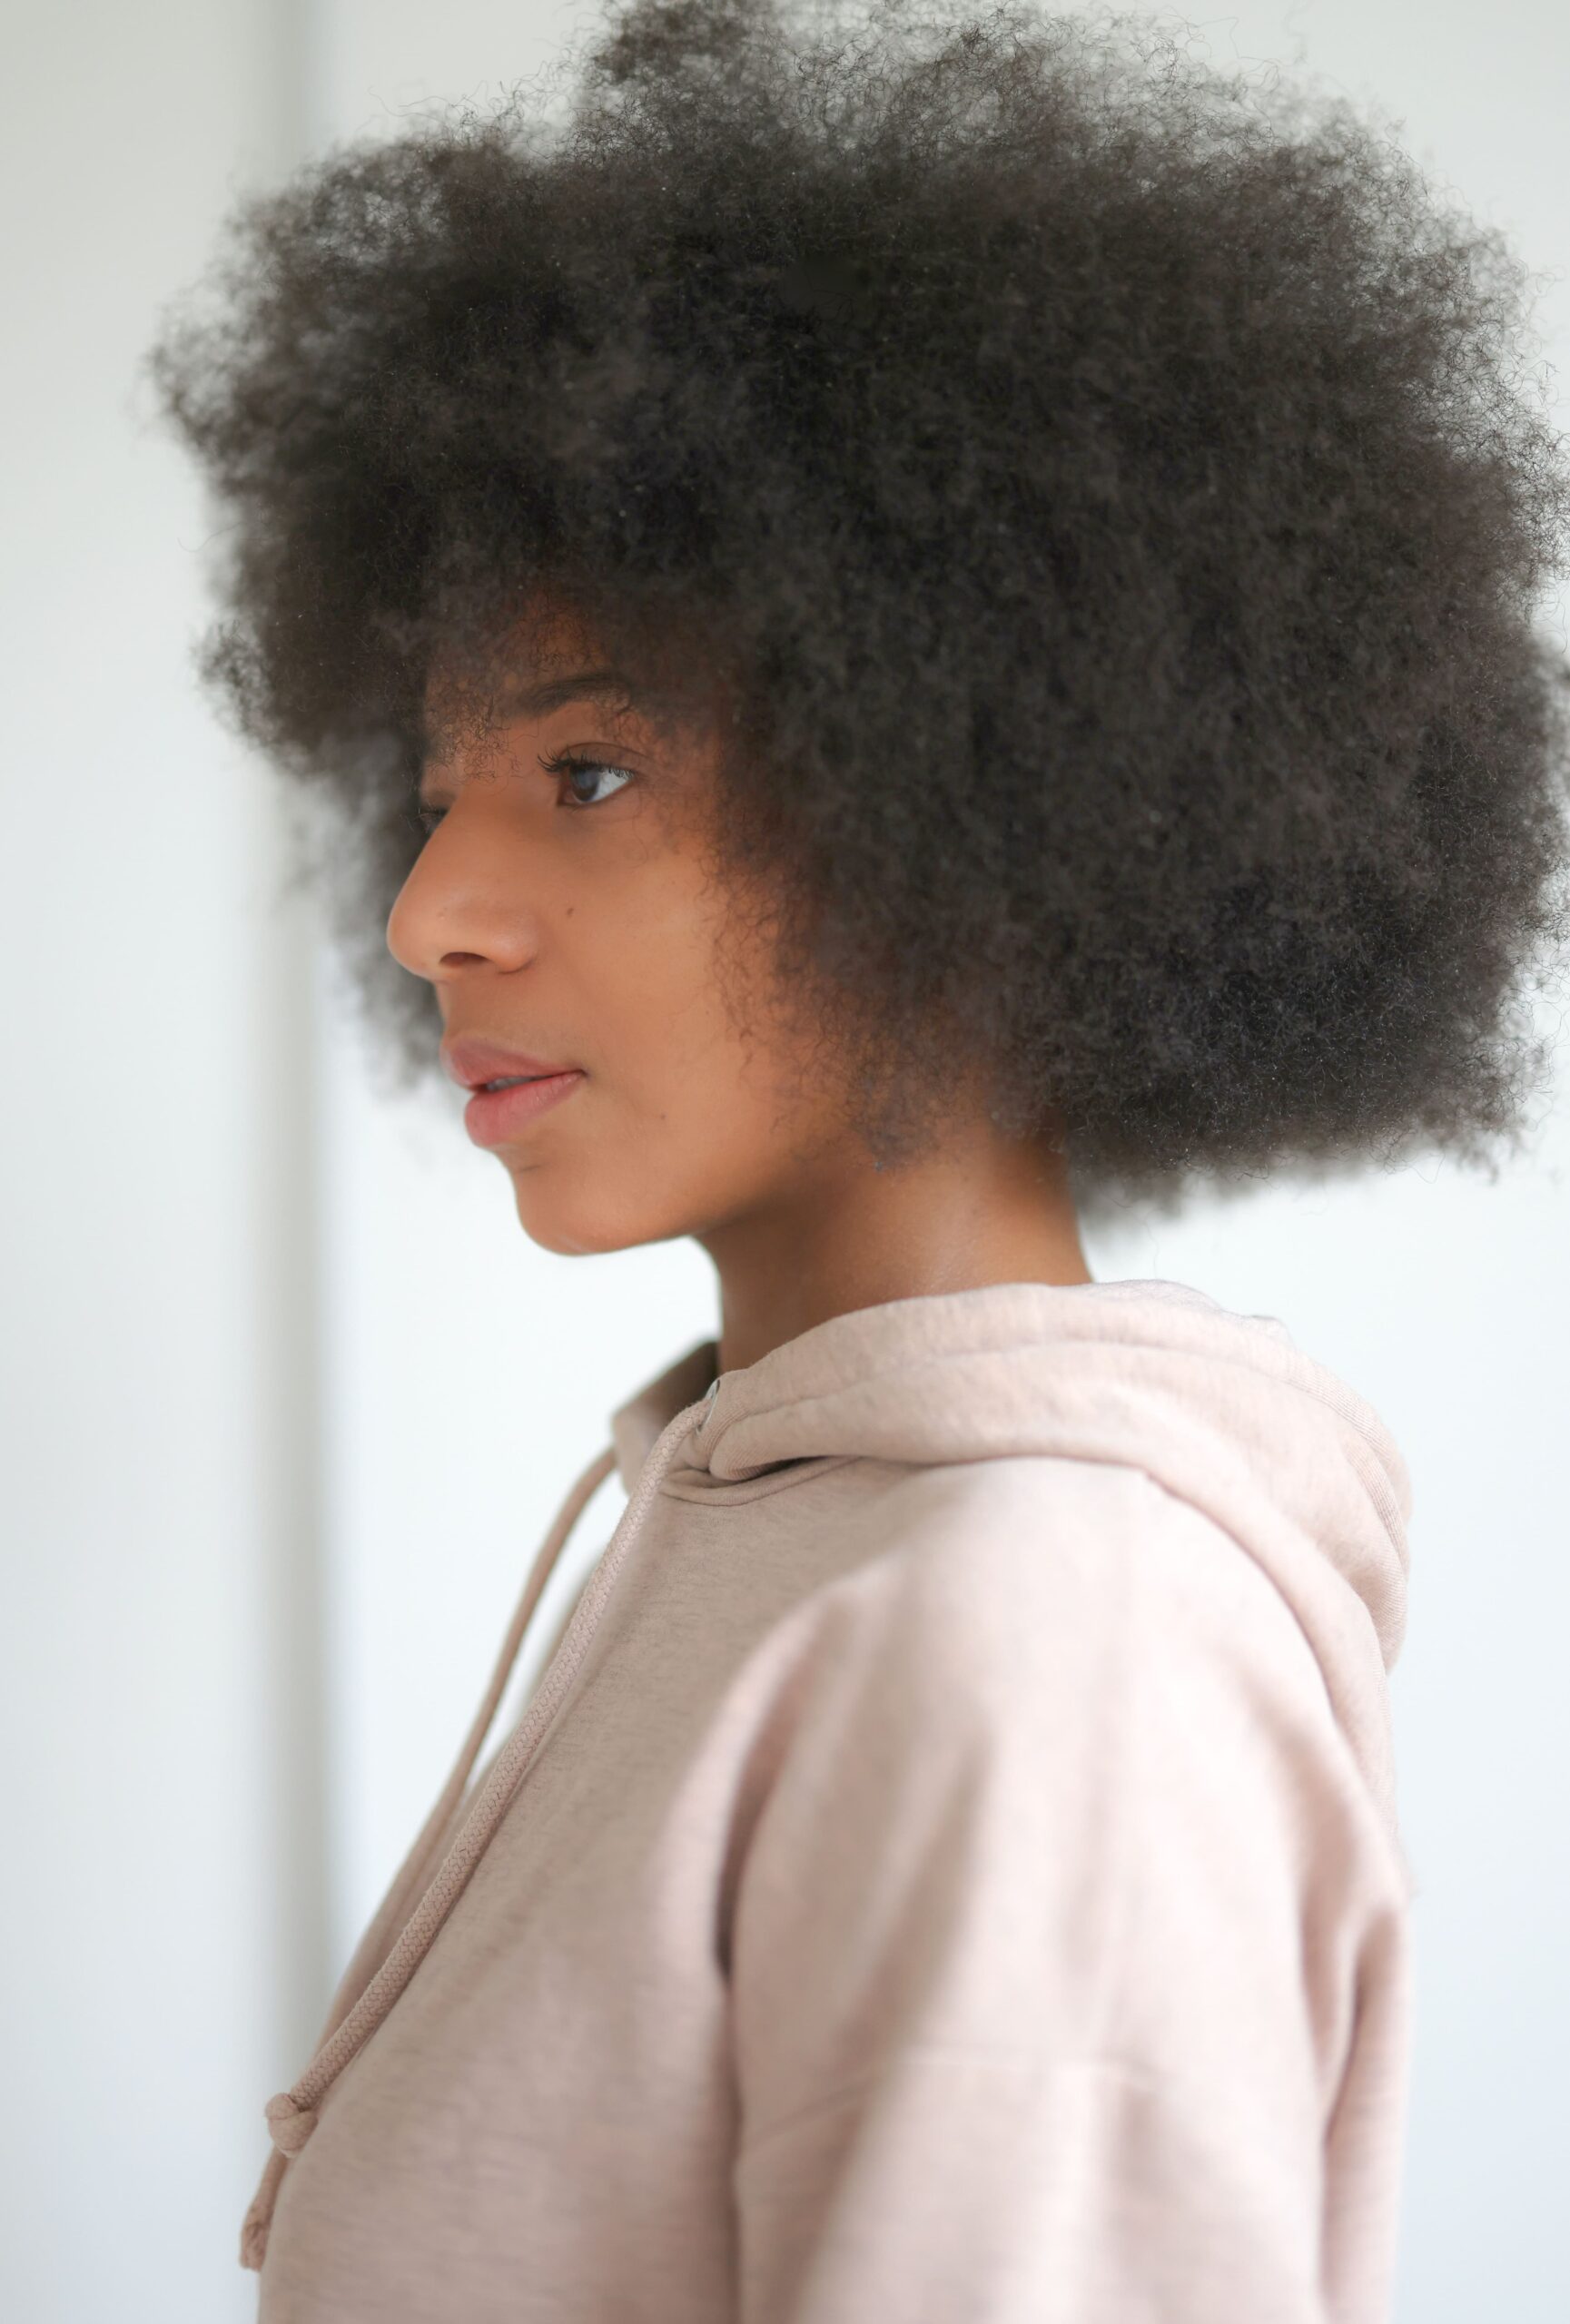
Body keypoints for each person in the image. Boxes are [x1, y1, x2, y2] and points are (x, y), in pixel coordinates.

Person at [151, 2, 1569, 2317]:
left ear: (986, 802)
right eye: (434, 791)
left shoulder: (1045, 1634)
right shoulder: (782, 1527)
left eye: (589, 773)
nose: (429, 913)